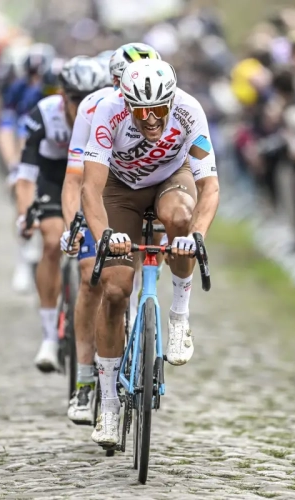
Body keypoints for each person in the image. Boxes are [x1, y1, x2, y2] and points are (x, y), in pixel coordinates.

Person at [81, 59, 220, 446]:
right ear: (126, 103)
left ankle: (179, 316)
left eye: (159, 110)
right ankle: (108, 405)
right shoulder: (107, 112)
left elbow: (209, 186)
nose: (152, 120)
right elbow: (91, 189)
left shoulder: (190, 111)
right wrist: (104, 234)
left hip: (170, 182)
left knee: (180, 218)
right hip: (120, 190)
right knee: (114, 291)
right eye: (142, 112)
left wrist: (196, 235)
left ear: (171, 101)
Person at [61, 43, 162, 425]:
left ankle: (141, 327)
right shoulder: (94, 108)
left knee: (140, 269)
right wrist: (75, 222)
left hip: (145, 197)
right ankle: (87, 383)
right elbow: (75, 179)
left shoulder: (168, 110)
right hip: (102, 196)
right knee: (91, 278)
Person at [15, 56, 108, 373]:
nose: (82, 107)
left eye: (89, 99)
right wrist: (26, 214)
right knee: (53, 241)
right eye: (75, 99)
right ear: (63, 96)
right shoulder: (44, 114)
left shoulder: (108, 115)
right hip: (53, 179)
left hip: (92, 179)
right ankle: (49, 337)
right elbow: (25, 175)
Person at [0, 43, 54, 294]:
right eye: (32, 75)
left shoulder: (55, 91)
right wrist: (13, 163)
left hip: (55, 152)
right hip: (27, 149)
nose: (36, 81)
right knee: (20, 192)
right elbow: (8, 129)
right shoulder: (18, 91)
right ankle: (22, 257)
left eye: (40, 76)